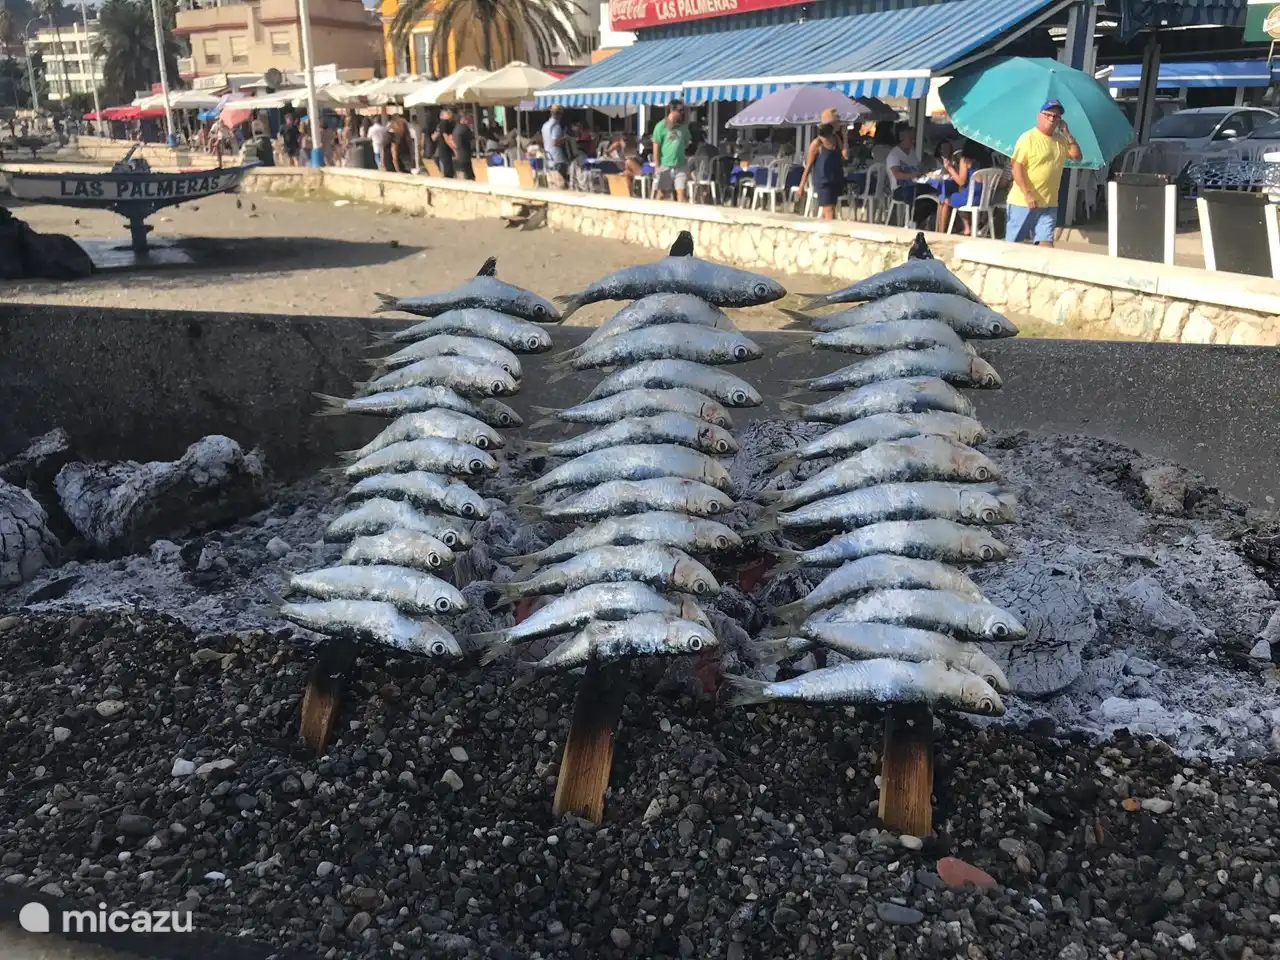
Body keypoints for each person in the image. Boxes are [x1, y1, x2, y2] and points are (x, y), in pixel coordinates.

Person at [1006, 99, 1083, 246]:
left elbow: (1077, 157)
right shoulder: (1028, 138)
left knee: (1046, 245)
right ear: (1039, 116)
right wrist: (1027, 194)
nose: (1052, 119)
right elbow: (1016, 168)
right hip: (1023, 202)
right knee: (1014, 245)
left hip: (1049, 203)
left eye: (1056, 116)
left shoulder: (1060, 140)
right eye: (1048, 115)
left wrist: (1067, 133)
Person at [884, 126, 935, 225]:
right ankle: (912, 220)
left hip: (915, 185)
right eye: (910, 138)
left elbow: (919, 168)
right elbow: (897, 175)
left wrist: (927, 171)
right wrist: (913, 175)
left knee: (934, 192)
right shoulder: (894, 155)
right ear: (902, 139)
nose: (913, 140)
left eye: (913, 138)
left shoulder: (912, 153)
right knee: (914, 193)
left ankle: (917, 220)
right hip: (900, 189)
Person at [799, 123, 845, 220]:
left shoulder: (836, 139)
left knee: (831, 210)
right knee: (829, 212)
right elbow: (808, 166)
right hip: (823, 181)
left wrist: (845, 136)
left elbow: (844, 155)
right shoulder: (817, 143)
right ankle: (831, 232)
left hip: (835, 179)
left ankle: (825, 232)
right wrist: (802, 186)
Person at [935, 140, 982, 233]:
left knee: (945, 199)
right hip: (982, 198)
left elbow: (961, 182)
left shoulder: (965, 160)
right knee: (958, 195)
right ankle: (967, 227)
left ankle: (941, 232)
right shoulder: (983, 161)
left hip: (970, 198)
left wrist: (950, 168)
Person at [652, 99, 692, 201]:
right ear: (672, 110)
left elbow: (687, 142)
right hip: (666, 165)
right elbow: (655, 148)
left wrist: (679, 148)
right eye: (680, 111)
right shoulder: (661, 126)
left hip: (680, 165)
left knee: (681, 193)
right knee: (661, 193)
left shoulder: (683, 127)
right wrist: (657, 166)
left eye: (683, 111)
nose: (681, 113)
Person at [541, 104, 568, 186]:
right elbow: (555, 142)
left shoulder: (545, 125)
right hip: (558, 158)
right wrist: (566, 138)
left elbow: (543, 140)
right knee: (561, 182)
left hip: (549, 157)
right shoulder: (556, 127)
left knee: (553, 183)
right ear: (559, 114)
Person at [433, 108, 456, 178]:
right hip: (445, 149)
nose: (450, 114)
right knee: (448, 170)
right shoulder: (444, 123)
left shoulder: (440, 124)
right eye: (448, 113)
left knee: (445, 169)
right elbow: (446, 138)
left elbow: (433, 137)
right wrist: (454, 149)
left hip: (442, 149)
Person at [454, 112, 476, 179]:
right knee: (469, 176)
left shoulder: (456, 128)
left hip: (458, 155)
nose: (467, 120)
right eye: (465, 118)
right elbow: (472, 141)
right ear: (462, 120)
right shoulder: (465, 128)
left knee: (461, 175)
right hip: (465, 155)